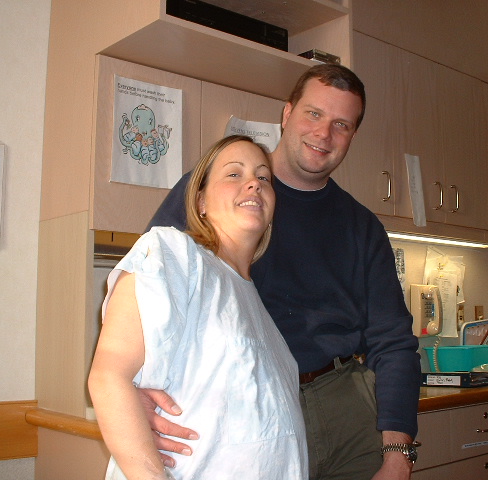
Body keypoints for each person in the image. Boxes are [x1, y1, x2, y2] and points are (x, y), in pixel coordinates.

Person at [143, 64, 421, 480]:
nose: (323, 134)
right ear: (287, 114)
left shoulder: (363, 227)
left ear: (352, 136)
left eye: (341, 124)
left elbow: (394, 341)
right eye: (313, 114)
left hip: (346, 406)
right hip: (244, 403)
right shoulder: (214, 193)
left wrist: (398, 452)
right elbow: (148, 299)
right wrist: (138, 391)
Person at [88, 135, 308, 480]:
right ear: (201, 200)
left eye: (263, 177)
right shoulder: (173, 254)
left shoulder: (258, 307)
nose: (254, 183)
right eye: (234, 174)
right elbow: (108, 377)